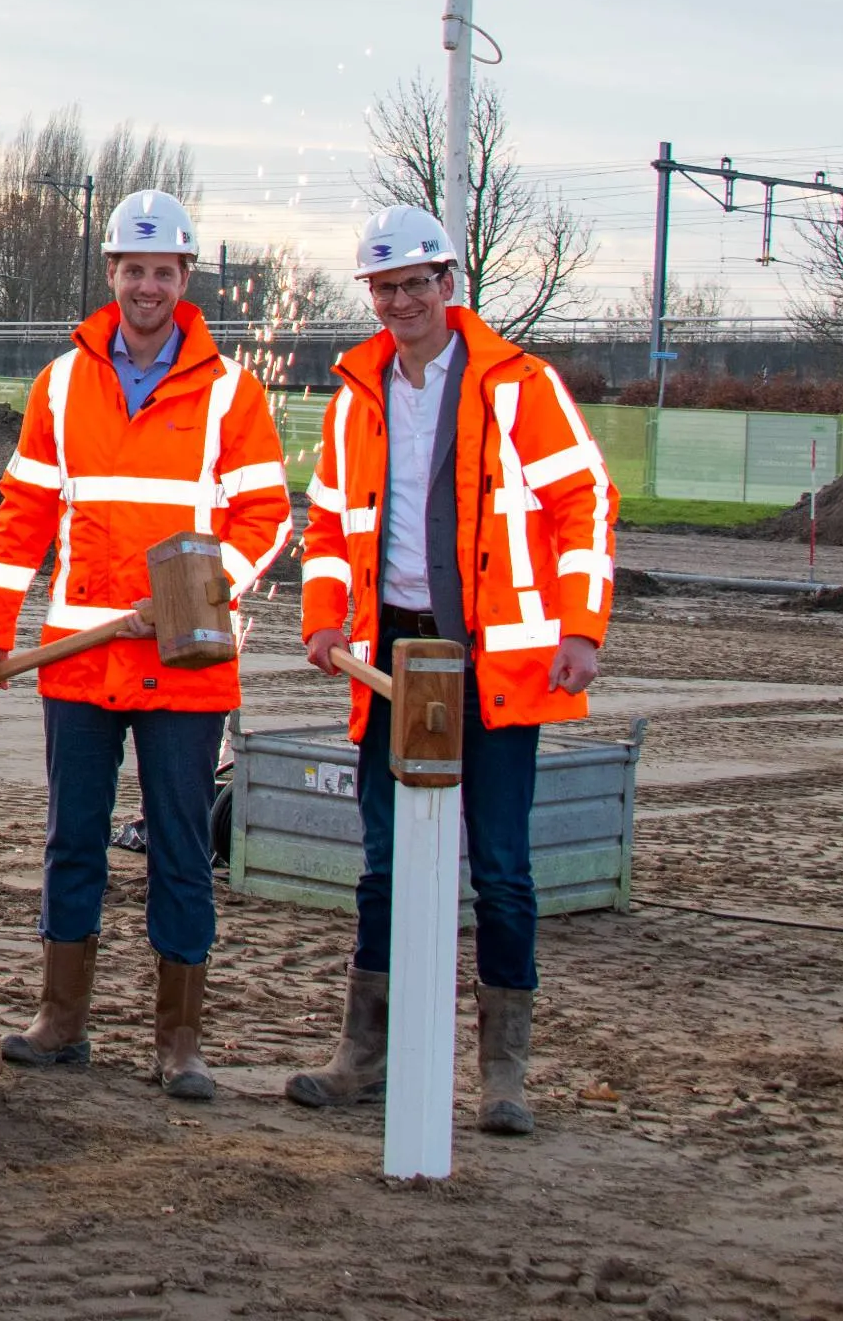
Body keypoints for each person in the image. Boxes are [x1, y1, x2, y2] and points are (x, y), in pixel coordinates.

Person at [285, 204, 615, 1137]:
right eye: (384, 289)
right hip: (391, 655)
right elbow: (330, 521)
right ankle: (365, 1055)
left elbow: (584, 504)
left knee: (502, 867)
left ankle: (503, 1074)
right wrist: (323, 621)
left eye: (414, 284)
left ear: (448, 284)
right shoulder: (359, 394)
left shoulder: (521, 387)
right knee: (385, 862)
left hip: (498, 662)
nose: (400, 303)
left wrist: (582, 627)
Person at [0, 188, 289, 1098]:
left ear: (186, 279)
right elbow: (22, 519)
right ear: (111, 273)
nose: (147, 285)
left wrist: (193, 589)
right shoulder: (63, 382)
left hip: (186, 664)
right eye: (132, 268)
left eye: (164, 271)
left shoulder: (229, 389)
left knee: (181, 849)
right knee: (71, 841)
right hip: (78, 656)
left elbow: (267, 518)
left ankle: (178, 1040)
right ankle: (61, 1021)